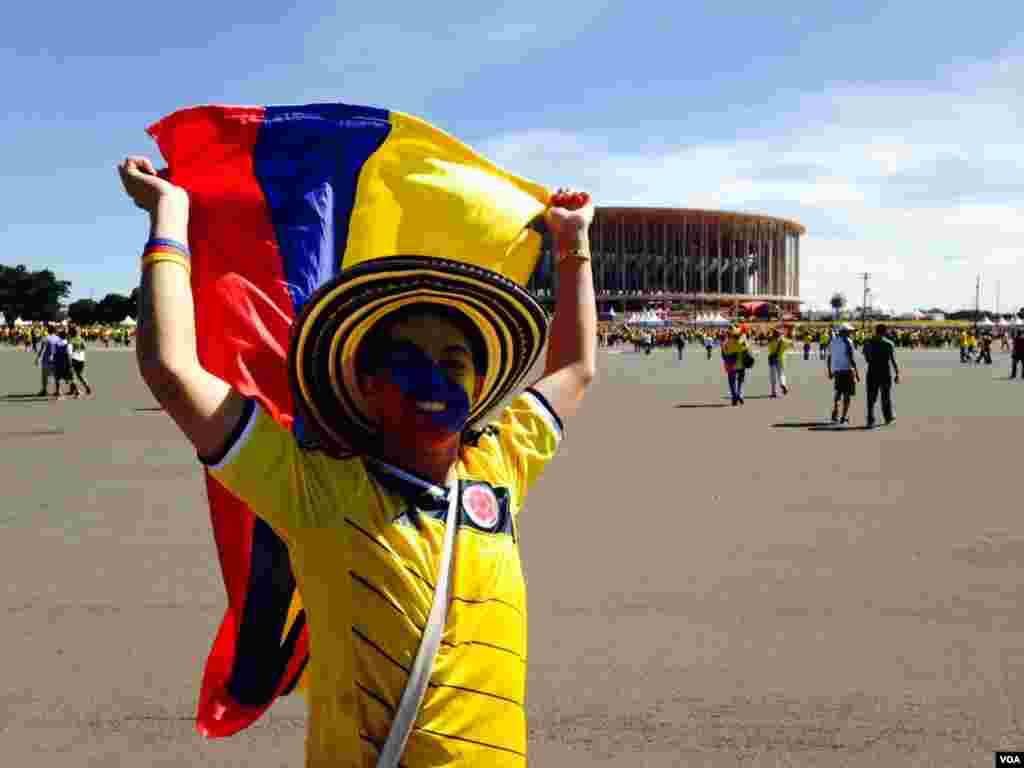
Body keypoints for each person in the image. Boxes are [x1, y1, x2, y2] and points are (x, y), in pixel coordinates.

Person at [120, 153, 596, 767]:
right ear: (365, 385)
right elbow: (173, 371)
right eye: (408, 360)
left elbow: (575, 368)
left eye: (454, 361)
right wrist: (169, 213)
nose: (435, 376)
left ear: (479, 385)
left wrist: (572, 245)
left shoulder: (498, 470)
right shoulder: (313, 489)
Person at [862, 323, 900, 427]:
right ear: (885, 331)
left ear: (876, 330)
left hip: (872, 371)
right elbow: (893, 360)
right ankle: (888, 417)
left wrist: (871, 360)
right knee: (886, 396)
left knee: (871, 398)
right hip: (885, 372)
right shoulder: (889, 343)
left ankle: (870, 420)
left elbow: (866, 357)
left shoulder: (868, 342)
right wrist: (897, 373)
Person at [827, 323, 860, 424]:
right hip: (847, 370)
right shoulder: (848, 342)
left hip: (837, 370)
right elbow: (851, 358)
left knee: (838, 392)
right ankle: (843, 417)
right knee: (847, 395)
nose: (851, 333)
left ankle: (835, 410)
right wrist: (857, 372)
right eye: (849, 331)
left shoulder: (833, 342)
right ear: (844, 332)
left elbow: (829, 357)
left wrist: (830, 371)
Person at [721, 327, 750, 405]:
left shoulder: (727, 343)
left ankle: (734, 396)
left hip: (731, 364)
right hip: (741, 364)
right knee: (741, 381)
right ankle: (740, 394)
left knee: (732, 382)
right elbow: (747, 349)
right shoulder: (742, 342)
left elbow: (724, 353)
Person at [34, 324, 64, 398]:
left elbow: (42, 349)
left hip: (47, 360)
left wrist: (37, 358)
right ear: (54, 331)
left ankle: (44, 390)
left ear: (48, 330)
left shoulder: (45, 338)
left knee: (44, 376)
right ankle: (58, 391)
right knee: (57, 376)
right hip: (56, 359)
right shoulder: (58, 339)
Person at [67, 324, 94, 398]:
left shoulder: (70, 340)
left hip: (73, 359)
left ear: (71, 333)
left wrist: (69, 362)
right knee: (80, 375)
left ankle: (76, 392)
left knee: (71, 376)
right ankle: (87, 388)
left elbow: (69, 352)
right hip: (82, 359)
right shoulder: (81, 339)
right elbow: (85, 347)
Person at [766, 327, 790, 398]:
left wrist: (772, 331)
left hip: (772, 359)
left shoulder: (770, 340)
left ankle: (773, 392)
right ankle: (783, 384)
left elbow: (768, 342)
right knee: (781, 373)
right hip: (781, 358)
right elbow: (789, 344)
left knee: (772, 375)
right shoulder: (783, 341)